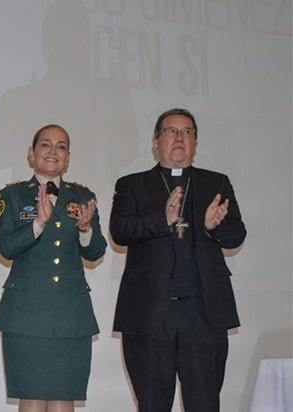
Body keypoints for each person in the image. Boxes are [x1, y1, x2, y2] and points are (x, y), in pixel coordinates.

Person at [111, 108, 246, 411]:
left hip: (203, 313)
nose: (179, 137)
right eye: (171, 131)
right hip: (149, 313)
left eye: (187, 132)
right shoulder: (131, 184)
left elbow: (236, 234)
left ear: (195, 143)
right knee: (153, 404)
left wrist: (215, 227)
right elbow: (120, 231)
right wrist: (161, 220)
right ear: (156, 142)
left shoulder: (216, 183)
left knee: (204, 403)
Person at [0, 124, 106, 411]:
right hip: (25, 314)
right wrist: (37, 224)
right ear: (32, 154)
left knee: (62, 399)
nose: (53, 151)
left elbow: (96, 251)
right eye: (45, 144)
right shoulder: (13, 194)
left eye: (61, 146)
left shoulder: (83, 196)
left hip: (71, 314)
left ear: (68, 157)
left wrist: (85, 229)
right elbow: (5, 247)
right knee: (30, 397)